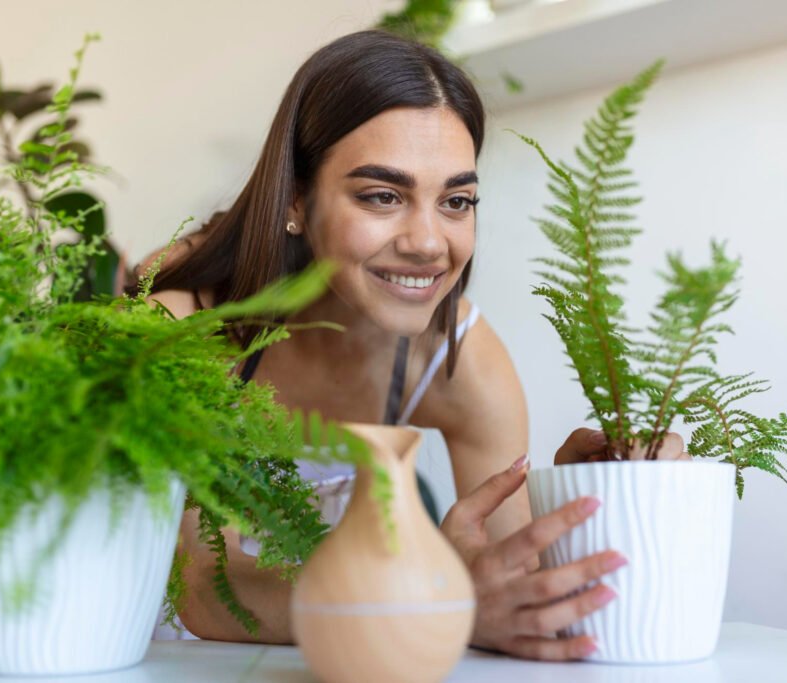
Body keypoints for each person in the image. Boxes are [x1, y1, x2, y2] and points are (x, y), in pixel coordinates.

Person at [139, 29, 687, 661]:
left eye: (456, 201)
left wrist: (589, 500)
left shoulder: (458, 359)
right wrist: (431, 599)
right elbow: (206, 589)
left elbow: (515, 591)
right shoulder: (181, 329)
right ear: (296, 199)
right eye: (382, 196)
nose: (428, 243)